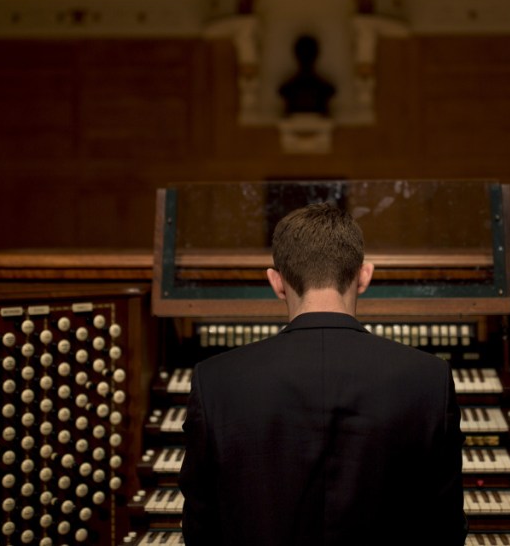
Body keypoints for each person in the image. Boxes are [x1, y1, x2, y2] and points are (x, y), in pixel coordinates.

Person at [179, 202, 468, 546]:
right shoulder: (429, 379)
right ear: (364, 276)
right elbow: (447, 532)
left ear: (276, 282)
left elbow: (200, 533)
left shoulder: (215, 381)